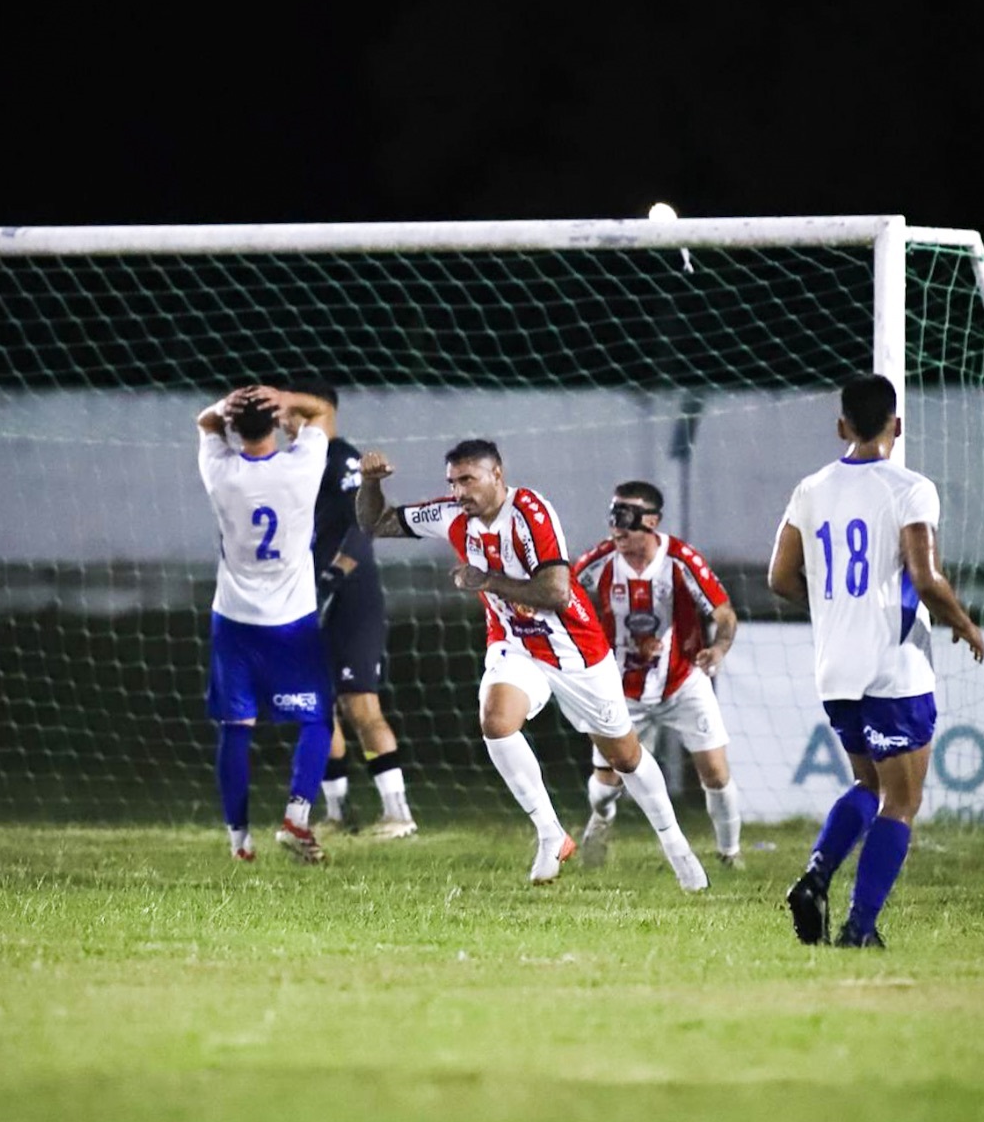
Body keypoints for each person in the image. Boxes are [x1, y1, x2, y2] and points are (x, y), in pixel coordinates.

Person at [356, 438, 707, 890]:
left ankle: (677, 846)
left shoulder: (531, 512)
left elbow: (556, 592)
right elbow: (375, 523)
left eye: (469, 480)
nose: (460, 491)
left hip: (574, 649)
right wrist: (369, 483)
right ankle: (550, 833)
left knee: (625, 756)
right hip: (515, 644)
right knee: (496, 721)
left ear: (497, 475)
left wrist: (486, 580)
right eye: (453, 482)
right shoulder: (451, 515)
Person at [767, 374, 984, 948]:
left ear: (842, 426)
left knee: (866, 781)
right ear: (898, 425)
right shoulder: (912, 487)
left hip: (834, 666)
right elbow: (925, 576)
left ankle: (816, 876)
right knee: (903, 800)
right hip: (894, 665)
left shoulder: (810, 488)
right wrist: (963, 622)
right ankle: (860, 927)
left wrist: (836, 606)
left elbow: (779, 577)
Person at [197, 384, 340, 865]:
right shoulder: (302, 466)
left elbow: (205, 423)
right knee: (317, 718)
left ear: (235, 428)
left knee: (236, 729)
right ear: (277, 420)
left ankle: (240, 840)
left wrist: (223, 409)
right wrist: (286, 398)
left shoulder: (221, 472)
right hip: (292, 623)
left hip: (234, 623)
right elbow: (322, 411)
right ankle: (297, 818)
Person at [572, 480, 743, 868]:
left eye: (626, 517)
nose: (616, 527)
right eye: (613, 515)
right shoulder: (599, 561)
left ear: (651, 521)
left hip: (682, 682)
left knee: (716, 774)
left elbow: (724, 613)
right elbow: (559, 594)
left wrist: (718, 648)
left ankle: (730, 855)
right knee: (606, 789)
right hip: (621, 691)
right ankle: (602, 818)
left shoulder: (681, 560)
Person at [280, 378, 416, 839]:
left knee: (362, 705)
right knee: (315, 710)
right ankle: (338, 815)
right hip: (309, 597)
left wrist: (333, 579)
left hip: (351, 598)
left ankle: (398, 814)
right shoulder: (298, 464)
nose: (284, 424)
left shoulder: (341, 458)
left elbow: (363, 528)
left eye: (290, 414)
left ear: (317, 411)